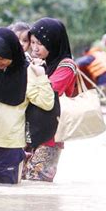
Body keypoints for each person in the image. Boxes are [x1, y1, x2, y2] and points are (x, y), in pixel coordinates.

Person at [0, 27, 55, 184]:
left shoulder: (28, 72)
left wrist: (41, 76)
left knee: (7, 196)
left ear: (12, 52)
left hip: (10, 146)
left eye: (2, 58)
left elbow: (47, 103)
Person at [23, 17, 77, 182]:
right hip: (29, 131)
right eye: (32, 43)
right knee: (23, 182)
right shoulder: (38, 62)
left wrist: (37, 72)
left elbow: (49, 92)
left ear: (53, 43)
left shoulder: (66, 66)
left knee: (37, 184)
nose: (35, 48)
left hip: (51, 137)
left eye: (40, 43)